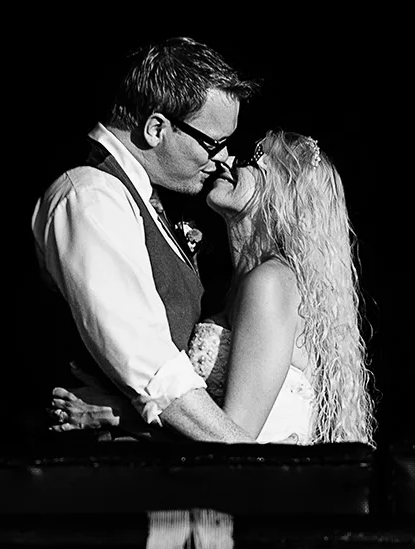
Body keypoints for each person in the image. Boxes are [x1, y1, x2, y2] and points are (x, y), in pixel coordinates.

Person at [53, 129, 376, 444]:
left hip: (252, 493)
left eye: (253, 158)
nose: (228, 160)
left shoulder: (271, 283)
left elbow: (233, 441)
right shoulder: (241, 285)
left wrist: (115, 412)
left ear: (282, 191)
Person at [31, 38, 261, 443]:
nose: (224, 158)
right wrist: (254, 464)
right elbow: (153, 370)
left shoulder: (142, 196)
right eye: (213, 143)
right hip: (107, 481)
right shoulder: (89, 196)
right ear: (156, 128)